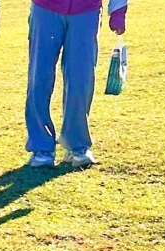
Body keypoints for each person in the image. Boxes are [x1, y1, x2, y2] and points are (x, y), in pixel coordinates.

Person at [26, 0, 127, 169]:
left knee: (81, 78)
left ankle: (77, 145)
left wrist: (118, 10)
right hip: (45, 8)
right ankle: (41, 147)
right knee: (39, 76)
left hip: (86, 11)